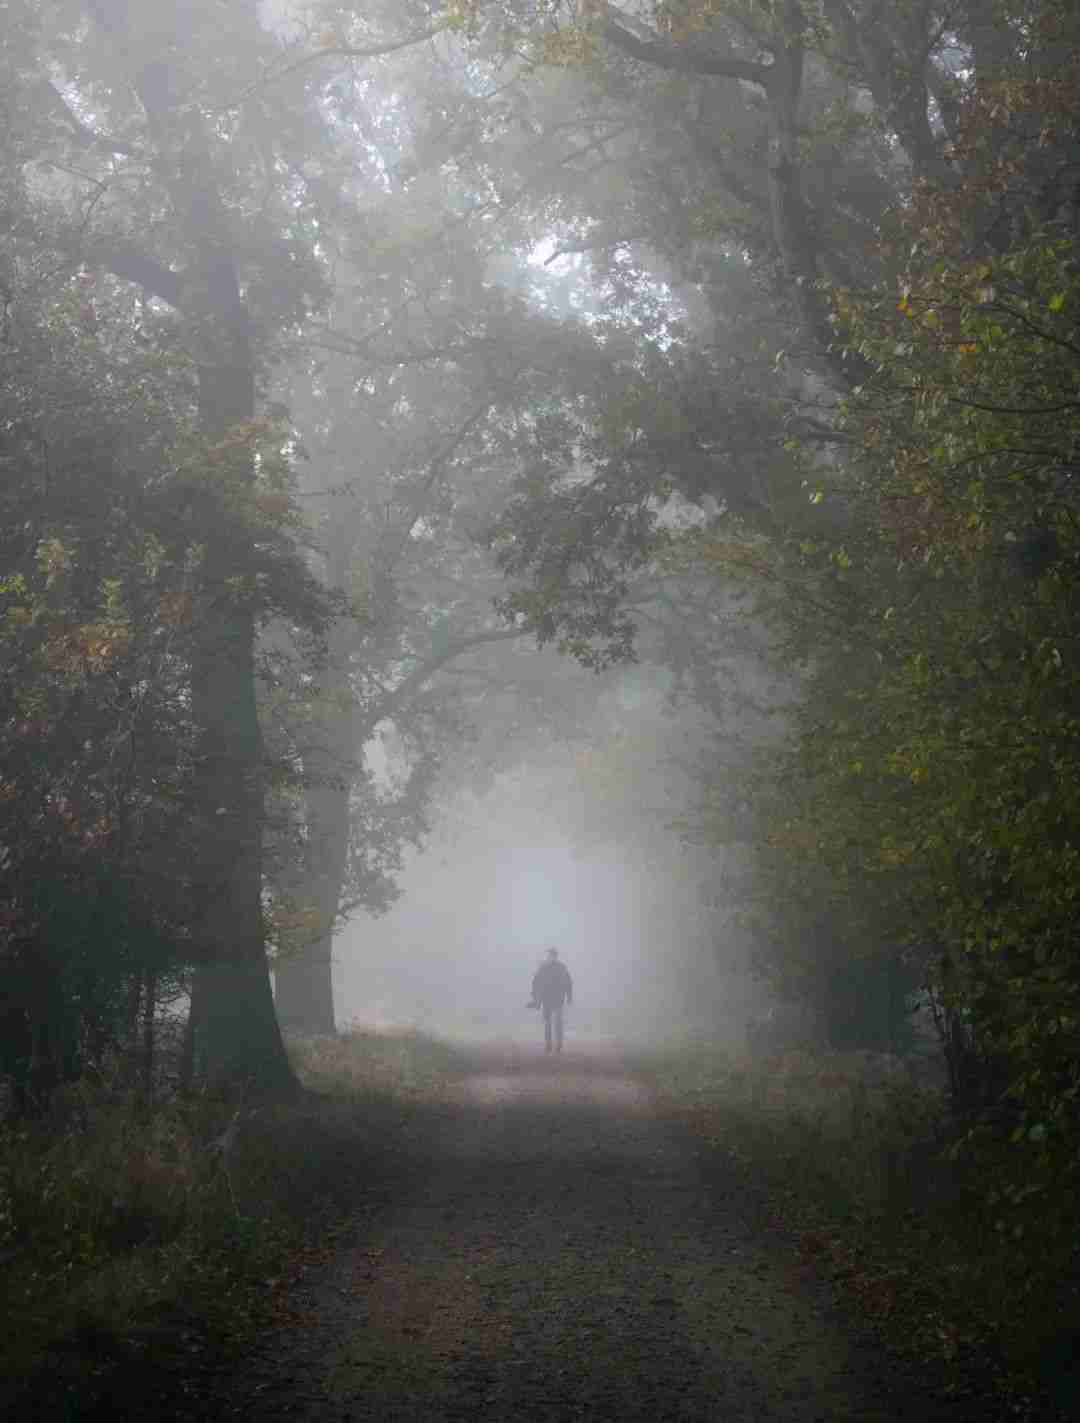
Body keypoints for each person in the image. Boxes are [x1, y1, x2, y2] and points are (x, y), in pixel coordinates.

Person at [530, 947, 573, 1054]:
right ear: (548, 956)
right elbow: (536, 984)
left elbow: (568, 982)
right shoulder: (543, 968)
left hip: (558, 999)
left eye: (552, 955)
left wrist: (569, 996)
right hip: (547, 1000)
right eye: (550, 955)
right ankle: (548, 1045)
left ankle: (558, 1046)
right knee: (548, 1023)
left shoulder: (561, 968)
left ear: (555, 956)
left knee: (557, 1023)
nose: (551, 957)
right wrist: (536, 998)